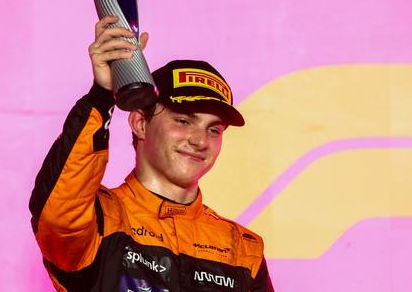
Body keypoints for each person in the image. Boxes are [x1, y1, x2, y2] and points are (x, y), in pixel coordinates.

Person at [29, 16, 274, 291]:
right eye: (183, 121)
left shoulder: (241, 248)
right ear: (140, 123)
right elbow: (59, 214)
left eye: (214, 130)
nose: (200, 140)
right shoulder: (99, 221)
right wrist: (102, 95)